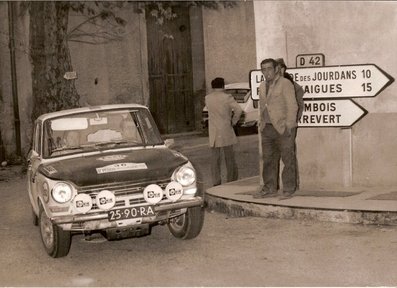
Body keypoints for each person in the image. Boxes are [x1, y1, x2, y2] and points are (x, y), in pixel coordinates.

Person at [253, 58, 298, 200]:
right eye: (263, 69)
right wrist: (261, 123)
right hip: (267, 129)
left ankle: (289, 190)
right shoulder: (261, 86)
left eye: (269, 69)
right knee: (268, 160)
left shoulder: (285, 84)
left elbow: (293, 106)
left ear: (276, 69)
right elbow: (263, 106)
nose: (266, 72)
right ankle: (269, 188)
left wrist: (289, 126)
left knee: (287, 159)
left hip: (283, 128)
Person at [205, 77, 243, 186]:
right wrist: (234, 121)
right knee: (229, 157)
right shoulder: (227, 97)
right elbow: (239, 110)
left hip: (213, 130)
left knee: (215, 159)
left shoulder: (208, 98)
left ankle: (216, 181)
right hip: (226, 129)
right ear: (223, 86)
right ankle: (231, 180)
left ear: (212, 86)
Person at [276, 58, 304, 190]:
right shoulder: (270, 85)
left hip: (288, 126)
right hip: (273, 126)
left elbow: (298, 106)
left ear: (283, 69)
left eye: (281, 68)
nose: (279, 71)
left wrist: (290, 124)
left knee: (288, 155)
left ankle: (291, 186)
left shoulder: (293, 85)